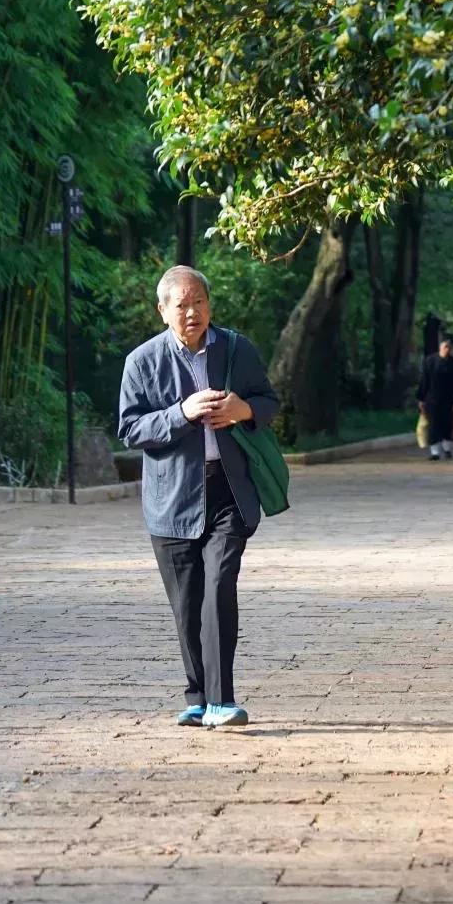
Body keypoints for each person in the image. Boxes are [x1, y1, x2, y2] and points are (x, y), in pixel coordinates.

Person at [118, 264, 279, 728]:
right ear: (163, 310)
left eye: (200, 302)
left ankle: (222, 700)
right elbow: (130, 429)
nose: (193, 312)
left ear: (210, 304)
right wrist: (181, 413)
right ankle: (197, 695)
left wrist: (243, 409)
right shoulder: (141, 362)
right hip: (171, 498)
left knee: (218, 588)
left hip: (228, 490)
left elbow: (269, 403)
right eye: (182, 305)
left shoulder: (237, 349)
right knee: (186, 602)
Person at [417, 332, 453, 460]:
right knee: (433, 425)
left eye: (449, 348)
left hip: (448, 399)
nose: (447, 350)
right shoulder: (429, 361)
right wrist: (421, 398)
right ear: (440, 347)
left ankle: (447, 449)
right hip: (431, 399)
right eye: (445, 347)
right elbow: (424, 380)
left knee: (446, 424)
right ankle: (434, 452)